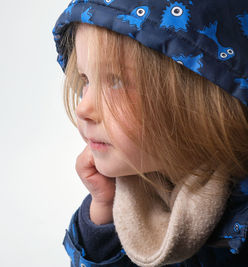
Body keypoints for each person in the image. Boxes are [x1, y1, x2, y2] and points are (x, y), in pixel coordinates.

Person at [52, 0, 248, 266]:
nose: (83, 109)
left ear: (199, 100)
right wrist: (104, 215)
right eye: (86, 79)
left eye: (116, 82)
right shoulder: (141, 190)